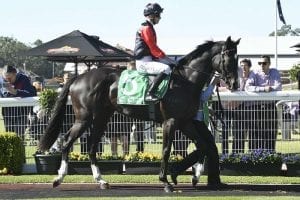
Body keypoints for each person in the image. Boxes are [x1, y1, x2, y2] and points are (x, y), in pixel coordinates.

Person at [134, 3, 177, 102]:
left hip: (148, 60)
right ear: (151, 16)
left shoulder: (149, 27)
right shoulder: (146, 28)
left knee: (172, 66)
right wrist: (168, 59)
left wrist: (167, 60)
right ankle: (150, 93)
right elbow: (153, 48)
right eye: (158, 15)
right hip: (143, 63)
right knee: (166, 68)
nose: (160, 18)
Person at [190, 73, 222, 187]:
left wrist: (208, 110)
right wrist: (213, 83)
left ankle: (199, 174)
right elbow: (202, 98)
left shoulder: (198, 83)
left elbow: (201, 102)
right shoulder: (196, 83)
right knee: (207, 150)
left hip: (201, 122)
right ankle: (184, 169)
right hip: (197, 123)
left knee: (204, 150)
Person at [245, 55, 282, 152]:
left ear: (269, 64)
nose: (262, 65)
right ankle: (255, 157)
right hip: (256, 108)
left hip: (270, 107)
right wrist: (264, 89)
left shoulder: (274, 72)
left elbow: (278, 87)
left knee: (271, 133)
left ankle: (270, 155)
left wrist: (268, 89)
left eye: (264, 63)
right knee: (256, 133)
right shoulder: (254, 73)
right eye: (260, 63)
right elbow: (248, 87)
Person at [1, 65, 37, 140]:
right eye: (5, 78)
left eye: (9, 78)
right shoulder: (1, 79)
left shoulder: (23, 78)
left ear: (15, 74)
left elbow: (32, 93)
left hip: (22, 113)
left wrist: (16, 92)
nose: (7, 80)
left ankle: (21, 151)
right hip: (7, 113)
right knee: (9, 137)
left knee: (19, 136)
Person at [231, 58, 254, 153]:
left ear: (249, 67)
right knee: (237, 132)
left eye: (245, 65)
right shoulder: (236, 78)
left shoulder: (254, 77)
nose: (243, 67)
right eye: (241, 66)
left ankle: (253, 155)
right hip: (238, 108)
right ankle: (236, 155)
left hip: (251, 108)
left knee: (252, 133)